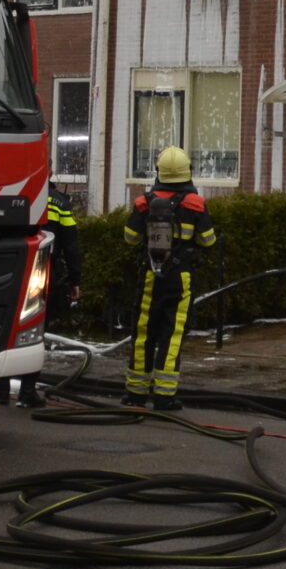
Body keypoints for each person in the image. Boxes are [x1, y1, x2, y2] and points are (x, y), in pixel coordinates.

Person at [121, 148, 215, 411]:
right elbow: (208, 240)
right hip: (180, 278)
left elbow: (130, 238)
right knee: (172, 334)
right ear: (187, 171)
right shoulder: (196, 204)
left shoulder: (144, 202)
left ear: (159, 171)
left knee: (143, 333)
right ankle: (164, 396)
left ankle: (136, 393)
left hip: (150, 276)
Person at [0, 187, 82, 409]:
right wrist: (75, 280)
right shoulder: (60, 204)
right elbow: (71, 245)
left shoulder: (15, 194)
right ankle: (27, 392)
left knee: (8, 326)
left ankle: (2, 389)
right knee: (35, 332)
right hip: (42, 273)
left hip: (12, 271)